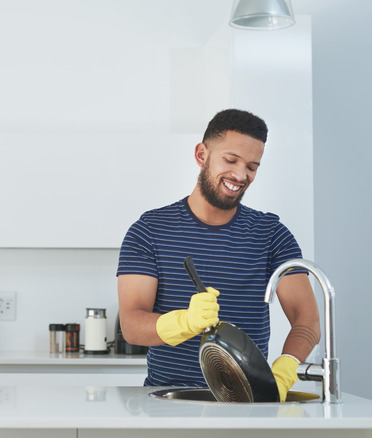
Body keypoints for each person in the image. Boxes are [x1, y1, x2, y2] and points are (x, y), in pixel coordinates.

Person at [116, 109, 320, 402]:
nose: (240, 175)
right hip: (167, 402)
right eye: (230, 160)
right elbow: (132, 326)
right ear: (202, 154)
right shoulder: (149, 231)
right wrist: (184, 322)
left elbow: (307, 320)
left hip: (249, 401)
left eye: (252, 166)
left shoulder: (272, 234)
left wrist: (287, 365)